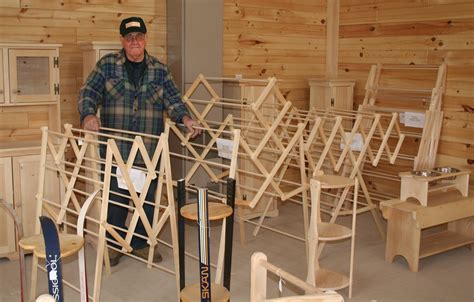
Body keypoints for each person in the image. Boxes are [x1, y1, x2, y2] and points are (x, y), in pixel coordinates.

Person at [78, 16, 201, 266]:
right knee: (116, 197)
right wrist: (89, 114)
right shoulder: (106, 65)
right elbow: (88, 92)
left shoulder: (160, 69)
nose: (135, 41)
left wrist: (186, 119)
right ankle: (113, 244)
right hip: (116, 146)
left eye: (139, 36)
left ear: (145, 39)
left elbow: (173, 100)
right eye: (129, 37)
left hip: (149, 148)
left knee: (146, 198)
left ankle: (141, 243)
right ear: (122, 40)